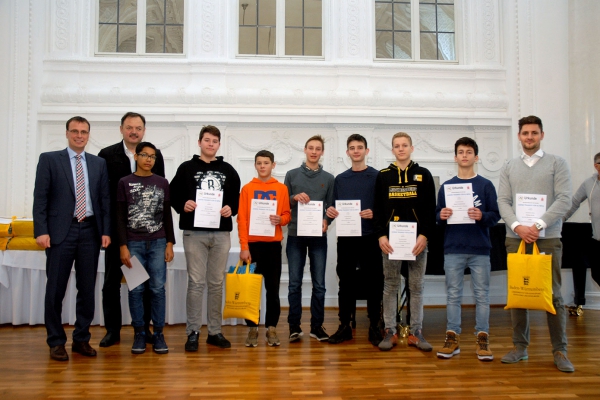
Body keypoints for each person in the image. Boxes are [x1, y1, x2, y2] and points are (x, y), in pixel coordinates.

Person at [498, 115, 574, 373]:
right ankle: (520, 347)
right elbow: (503, 202)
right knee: (518, 293)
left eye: (534, 133)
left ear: (541, 135)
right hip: (515, 238)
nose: (529, 137)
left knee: (553, 294)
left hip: (548, 238)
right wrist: (519, 227)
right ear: (518, 136)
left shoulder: (557, 164)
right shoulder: (509, 166)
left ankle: (560, 350)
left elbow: (564, 199)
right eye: (525, 133)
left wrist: (538, 225)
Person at [33, 116, 111, 361]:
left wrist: (106, 231)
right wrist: (41, 230)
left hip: (89, 231)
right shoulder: (49, 160)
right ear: (67, 133)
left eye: (84, 132)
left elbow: (104, 201)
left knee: (87, 289)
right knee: (55, 289)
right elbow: (40, 199)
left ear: (89, 135)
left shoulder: (98, 163)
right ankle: (56, 341)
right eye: (75, 131)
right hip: (59, 234)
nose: (79, 135)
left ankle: (81, 339)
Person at [170, 125, 241, 350]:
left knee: (216, 283)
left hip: (221, 233)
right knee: (196, 283)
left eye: (215, 141)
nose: (211, 144)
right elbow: (172, 195)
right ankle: (192, 332)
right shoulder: (185, 168)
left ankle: (215, 332)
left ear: (219, 145)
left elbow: (237, 199)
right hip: (194, 233)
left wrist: (232, 208)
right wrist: (183, 204)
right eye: (207, 140)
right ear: (199, 142)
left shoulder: (228, 170)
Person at [98, 112, 165, 348]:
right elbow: (102, 196)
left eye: (138, 128)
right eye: (129, 127)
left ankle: (143, 328)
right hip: (116, 233)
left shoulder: (156, 155)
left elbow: (160, 196)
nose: (134, 131)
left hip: (143, 236)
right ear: (121, 129)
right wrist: (107, 231)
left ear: (144, 130)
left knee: (142, 282)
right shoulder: (107, 155)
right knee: (111, 283)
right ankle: (112, 331)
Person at [435, 137, 500, 361]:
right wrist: (441, 216)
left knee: (482, 296)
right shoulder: (447, 186)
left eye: (469, 152)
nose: (464, 155)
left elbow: (495, 215)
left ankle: (483, 339)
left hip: (480, 248)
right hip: (453, 248)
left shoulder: (485, 185)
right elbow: (437, 216)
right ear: (455, 157)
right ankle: (452, 338)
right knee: (453, 295)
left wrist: (482, 216)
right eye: (461, 152)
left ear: (476, 157)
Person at [374, 132, 435, 352]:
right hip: (390, 242)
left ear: (411, 148)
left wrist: (424, 236)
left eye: (404, 145)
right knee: (390, 285)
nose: (401, 149)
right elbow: (378, 210)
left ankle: (416, 331)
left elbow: (430, 210)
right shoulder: (383, 176)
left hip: (417, 242)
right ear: (392, 150)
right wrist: (381, 235)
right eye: (397, 146)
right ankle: (390, 330)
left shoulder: (424, 175)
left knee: (416, 287)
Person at [117, 142, 175, 354]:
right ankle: (139, 333)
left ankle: (158, 333)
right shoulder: (125, 182)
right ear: (136, 156)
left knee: (157, 289)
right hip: (133, 244)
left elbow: (167, 214)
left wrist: (170, 243)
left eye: (152, 156)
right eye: (144, 155)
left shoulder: (162, 182)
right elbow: (120, 217)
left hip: (159, 242)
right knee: (136, 289)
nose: (149, 159)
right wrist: (123, 246)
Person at [325, 134, 384, 346]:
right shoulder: (340, 179)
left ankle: (375, 326)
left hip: (370, 238)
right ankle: (344, 327)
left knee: (374, 283)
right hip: (347, 239)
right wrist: (329, 212)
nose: (356, 151)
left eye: (360, 147)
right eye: (352, 147)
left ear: (367, 151)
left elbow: (385, 209)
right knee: (346, 283)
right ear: (347, 152)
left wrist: (374, 213)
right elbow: (332, 207)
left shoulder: (379, 177)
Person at [237, 150, 291, 347]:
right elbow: (241, 219)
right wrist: (244, 247)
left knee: (273, 290)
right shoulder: (247, 189)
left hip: (273, 247)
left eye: (266, 163)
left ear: (273, 165)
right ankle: (252, 328)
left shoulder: (282, 189)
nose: (262, 166)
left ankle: (271, 328)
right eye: (259, 163)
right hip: (251, 247)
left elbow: (287, 215)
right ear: (255, 165)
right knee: (250, 290)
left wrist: (281, 219)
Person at [284, 135, 334, 342]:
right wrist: (294, 198)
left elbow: (330, 207)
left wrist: (326, 221)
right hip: (295, 234)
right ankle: (294, 327)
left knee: (319, 284)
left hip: (318, 236)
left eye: (318, 149)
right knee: (294, 283)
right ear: (305, 150)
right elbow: (283, 204)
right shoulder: (291, 175)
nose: (314, 152)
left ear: (322, 152)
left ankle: (316, 326)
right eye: (311, 148)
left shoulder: (329, 179)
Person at [562, 151, 600, 313]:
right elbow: (574, 203)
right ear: (596, 166)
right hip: (597, 239)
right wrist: (558, 221)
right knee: (596, 274)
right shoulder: (589, 184)